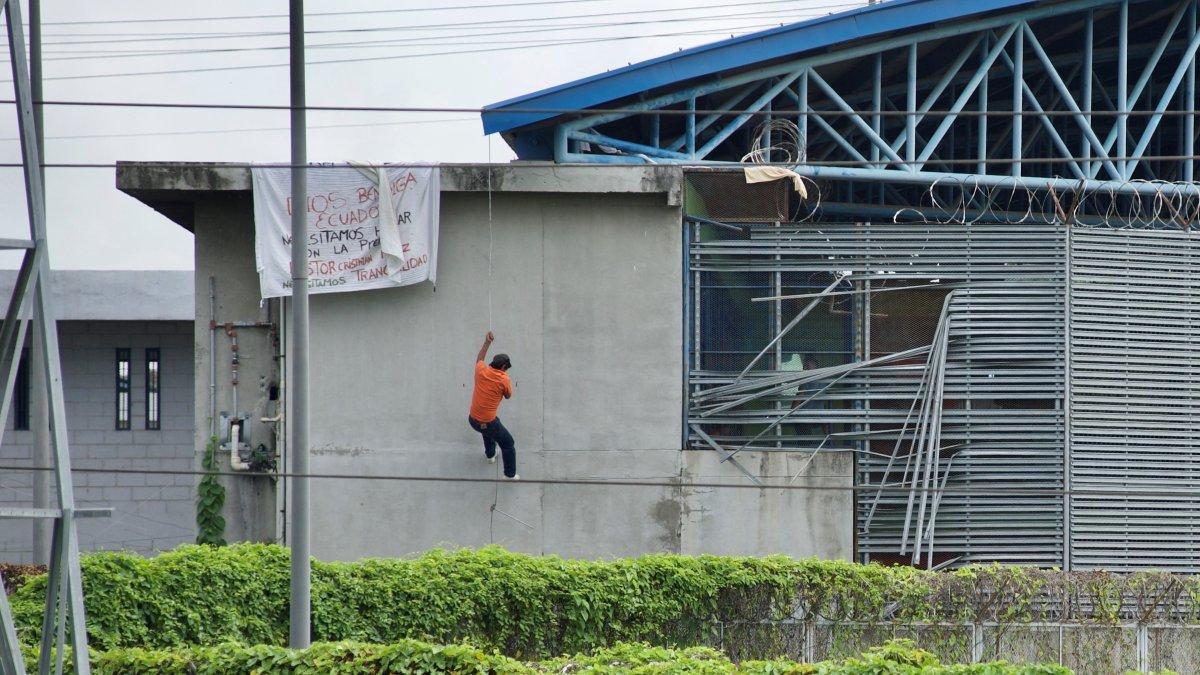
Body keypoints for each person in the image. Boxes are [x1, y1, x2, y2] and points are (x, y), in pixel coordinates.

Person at [468, 331, 518, 479]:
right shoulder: (503, 379)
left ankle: (490, 455)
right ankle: (509, 475)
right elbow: (508, 396)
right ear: (503, 367)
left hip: (472, 419)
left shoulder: (481, 370)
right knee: (508, 444)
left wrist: (487, 342)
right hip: (488, 422)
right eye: (507, 367)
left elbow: (480, 358)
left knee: (487, 430)